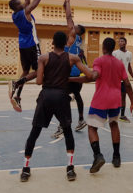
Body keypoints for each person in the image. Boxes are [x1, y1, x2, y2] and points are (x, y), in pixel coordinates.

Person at [19, 31, 95, 182]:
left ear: (52, 42)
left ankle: (26, 169)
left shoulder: (43, 58)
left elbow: (39, 81)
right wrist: (70, 79)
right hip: (62, 97)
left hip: (46, 96)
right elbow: (90, 76)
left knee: (35, 132)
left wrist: (49, 77)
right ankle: (70, 169)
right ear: (67, 43)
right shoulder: (73, 58)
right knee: (67, 132)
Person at [86, 37, 133, 174]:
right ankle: (116, 156)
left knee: (91, 128)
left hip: (101, 100)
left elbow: (95, 75)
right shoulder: (119, 64)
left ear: (103, 47)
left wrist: (85, 76)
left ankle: (98, 155)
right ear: (113, 48)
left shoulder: (99, 61)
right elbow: (127, 84)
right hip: (115, 100)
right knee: (114, 125)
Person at [54, 0, 88, 139]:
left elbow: (69, 18)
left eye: (75, 27)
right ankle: (81, 120)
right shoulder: (78, 39)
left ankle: (62, 125)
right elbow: (69, 19)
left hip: (68, 71)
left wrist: (68, 3)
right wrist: (65, 6)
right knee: (77, 95)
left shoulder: (73, 36)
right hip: (77, 71)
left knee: (62, 98)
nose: (72, 27)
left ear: (76, 31)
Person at [7, 0, 44, 112]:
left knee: (25, 71)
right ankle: (16, 83)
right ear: (17, 7)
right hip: (32, 45)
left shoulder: (15, 15)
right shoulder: (26, 12)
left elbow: (27, 1)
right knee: (39, 70)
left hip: (22, 46)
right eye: (19, 3)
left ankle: (17, 95)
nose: (23, 3)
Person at [113, 37, 133, 123]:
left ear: (125, 43)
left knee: (123, 97)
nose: (120, 43)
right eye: (119, 41)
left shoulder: (129, 54)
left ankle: (122, 115)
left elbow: (129, 66)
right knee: (113, 97)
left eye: (122, 41)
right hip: (115, 79)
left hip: (124, 79)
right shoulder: (115, 53)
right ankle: (108, 114)